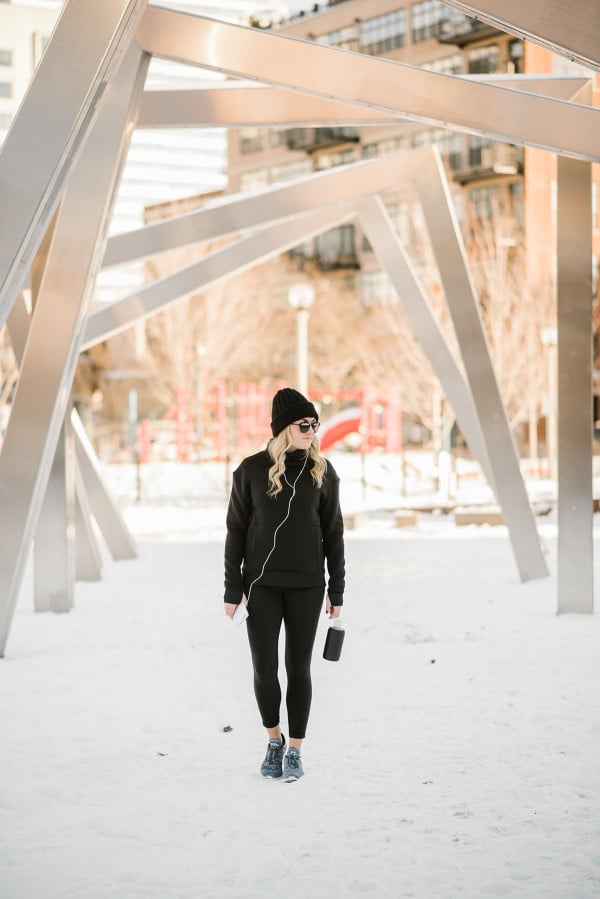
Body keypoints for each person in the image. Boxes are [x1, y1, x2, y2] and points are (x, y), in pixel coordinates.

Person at [223, 387, 345, 781]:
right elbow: (235, 531)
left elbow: (334, 534)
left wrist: (336, 590)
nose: (312, 431)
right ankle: (273, 741)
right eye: (304, 424)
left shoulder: (322, 473)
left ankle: (295, 750)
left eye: (315, 424)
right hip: (260, 587)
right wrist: (231, 588)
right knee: (264, 667)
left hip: (308, 586)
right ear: (283, 430)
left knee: (299, 668)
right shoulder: (251, 471)